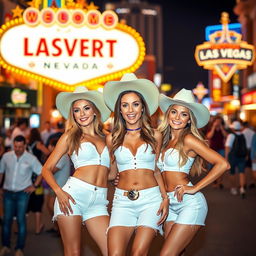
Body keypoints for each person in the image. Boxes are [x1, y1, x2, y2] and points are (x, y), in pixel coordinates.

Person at [157, 89, 230, 256]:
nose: (177, 117)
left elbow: (223, 164)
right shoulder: (164, 140)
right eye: (174, 112)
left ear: (189, 119)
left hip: (189, 203)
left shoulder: (189, 139)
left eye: (184, 114)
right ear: (168, 114)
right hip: (168, 204)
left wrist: (194, 188)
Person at [103, 73, 169, 255]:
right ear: (120, 110)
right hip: (122, 202)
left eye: (135, 104)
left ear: (142, 108)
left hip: (151, 200)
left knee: (138, 252)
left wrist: (165, 198)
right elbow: (111, 173)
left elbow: (156, 170)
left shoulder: (155, 135)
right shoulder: (112, 138)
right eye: (125, 105)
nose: (130, 109)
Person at [41, 86, 111, 256]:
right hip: (73, 196)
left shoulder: (108, 136)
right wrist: (59, 192)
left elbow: (112, 173)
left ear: (95, 111)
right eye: (77, 110)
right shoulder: (70, 136)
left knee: (113, 250)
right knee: (73, 252)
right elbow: (46, 169)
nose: (82, 113)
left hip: (99, 200)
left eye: (86, 108)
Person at [0, 135, 42, 256]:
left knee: (21, 220)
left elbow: (42, 172)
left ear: (24, 145)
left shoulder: (31, 158)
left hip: (23, 194)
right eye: (16, 146)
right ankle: (6, 246)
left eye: (20, 146)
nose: (17, 149)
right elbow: (1, 172)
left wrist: (34, 186)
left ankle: (19, 248)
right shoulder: (6, 157)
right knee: (6, 220)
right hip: (8, 193)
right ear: (13, 145)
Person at [44, 137, 71, 234]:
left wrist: (48, 163)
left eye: (50, 146)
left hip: (60, 185)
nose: (49, 148)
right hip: (57, 184)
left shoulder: (62, 156)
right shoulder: (60, 156)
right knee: (51, 206)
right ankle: (57, 227)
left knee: (53, 206)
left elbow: (51, 170)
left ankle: (61, 229)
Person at [27, 128, 50, 234]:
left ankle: (18, 228)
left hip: (28, 174)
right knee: (38, 200)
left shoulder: (27, 145)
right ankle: (37, 227)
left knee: (27, 200)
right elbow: (48, 152)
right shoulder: (38, 144)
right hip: (38, 174)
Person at [225, 120, 247, 198]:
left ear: (233, 128)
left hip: (233, 157)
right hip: (242, 156)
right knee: (242, 172)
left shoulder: (231, 135)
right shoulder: (242, 135)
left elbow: (228, 147)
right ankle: (242, 189)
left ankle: (234, 188)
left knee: (232, 172)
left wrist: (226, 157)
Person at [206, 115, 227, 188]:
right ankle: (214, 180)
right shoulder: (211, 128)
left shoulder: (222, 129)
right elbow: (209, 136)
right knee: (211, 166)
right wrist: (214, 127)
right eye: (217, 121)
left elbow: (225, 136)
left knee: (221, 165)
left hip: (221, 149)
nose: (218, 123)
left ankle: (219, 182)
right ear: (214, 122)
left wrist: (221, 128)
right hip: (212, 149)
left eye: (219, 121)